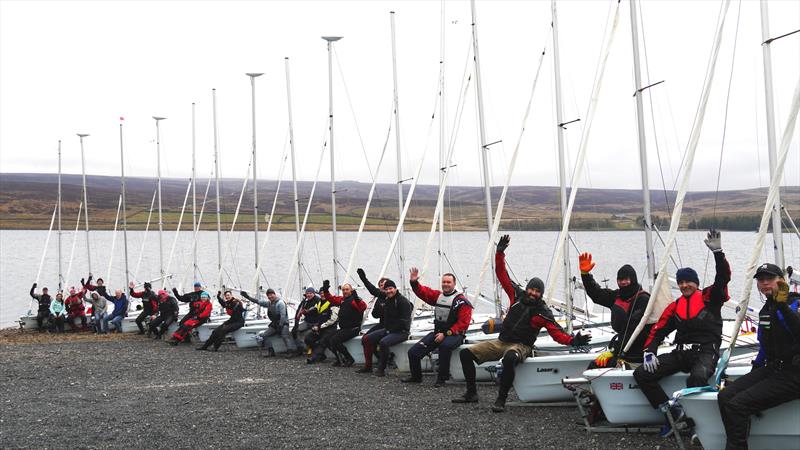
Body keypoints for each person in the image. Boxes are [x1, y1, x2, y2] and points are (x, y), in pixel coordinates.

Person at [453, 235, 592, 412]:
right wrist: (500, 253)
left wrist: (574, 341)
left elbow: (557, 334)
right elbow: (502, 274)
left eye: (537, 291)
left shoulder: (543, 311)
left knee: (510, 358)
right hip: (501, 342)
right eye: (531, 289)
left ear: (541, 294)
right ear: (527, 289)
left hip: (521, 346)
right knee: (466, 354)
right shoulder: (516, 295)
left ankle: (501, 400)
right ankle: (471, 393)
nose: (533, 293)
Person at [633, 229, 730, 429]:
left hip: (705, 352)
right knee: (642, 374)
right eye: (681, 282)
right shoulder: (675, 306)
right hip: (680, 354)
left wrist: (718, 253)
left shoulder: (710, 298)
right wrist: (650, 351)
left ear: (696, 283)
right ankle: (671, 412)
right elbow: (658, 331)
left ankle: (697, 426)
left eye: (688, 282)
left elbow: (723, 277)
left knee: (697, 378)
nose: (685, 285)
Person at [718, 263, 800, 450]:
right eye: (761, 280)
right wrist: (753, 375)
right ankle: (740, 437)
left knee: (737, 405)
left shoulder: (795, 304)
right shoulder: (766, 310)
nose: (764, 283)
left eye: (769, 279)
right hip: (773, 368)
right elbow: (765, 346)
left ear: (781, 281)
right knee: (725, 397)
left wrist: (782, 304)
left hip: (794, 373)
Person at [578, 253, 650, 368]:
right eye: (620, 280)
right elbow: (596, 294)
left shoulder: (643, 299)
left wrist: (613, 351)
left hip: (637, 353)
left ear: (633, 279)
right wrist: (585, 275)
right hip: (622, 350)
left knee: (597, 366)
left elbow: (632, 329)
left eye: (626, 279)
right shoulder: (617, 296)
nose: (623, 282)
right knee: (594, 366)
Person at [404, 267, 473, 387]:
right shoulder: (438, 296)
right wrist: (414, 282)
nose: (445, 284)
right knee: (413, 352)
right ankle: (416, 377)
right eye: (444, 282)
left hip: (455, 335)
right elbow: (424, 292)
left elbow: (463, 324)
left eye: (448, 282)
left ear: (454, 284)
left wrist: (446, 334)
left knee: (444, 346)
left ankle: (442, 378)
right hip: (438, 333)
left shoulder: (462, 302)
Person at [356, 268, 412, 376]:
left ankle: (381, 369)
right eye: (387, 289)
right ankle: (368, 367)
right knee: (366, 339)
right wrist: (363, 279)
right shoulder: (386, 297)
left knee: (383, 342)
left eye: (391, 288)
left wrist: (389, 331)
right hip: (388, 329)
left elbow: (404, 322)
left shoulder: (402, 301)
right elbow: (373, 290)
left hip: (401, 332)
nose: (389, 291)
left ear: (395, 289)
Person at [321, 283, 368, 367]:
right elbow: (331, 299)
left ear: (351, 290)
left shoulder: (354, 300)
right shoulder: (342, 299)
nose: (345, 291)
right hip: (345, 328)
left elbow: (363, 307)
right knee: (326, 339)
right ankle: (339, 359)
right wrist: (325, 290)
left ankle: (349, 358)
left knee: (335, 340)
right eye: (343, 290)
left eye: (347, 289)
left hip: (353, 328)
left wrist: (357, 299)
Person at [243, 288, 295, 357]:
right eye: (268, 295)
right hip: (275, 324)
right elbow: (258, 301)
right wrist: (247, 297)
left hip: (283, 324)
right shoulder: (269, 303)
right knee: (264, 335)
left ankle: (290, 352)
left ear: (274, 294)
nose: (270, 296)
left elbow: (283, 315)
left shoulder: (280, 303)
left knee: (285, 336)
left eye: (271, 295)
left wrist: (280, 326)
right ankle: (271, 351)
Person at [305, 280, 339, 364]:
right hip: (321, 328)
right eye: (320, 293)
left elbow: (332, 320)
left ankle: (314, 358)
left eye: (324, 293)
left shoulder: (332, 303)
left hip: (330, 329)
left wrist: (319, 327)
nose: (322, 295)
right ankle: (321, 355)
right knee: (308, 338)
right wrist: (306, 312)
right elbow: (315, 311)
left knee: (322, 342)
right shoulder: (319, 303)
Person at [289, 287, 321, 357]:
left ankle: (311, 349)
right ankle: (300, 348)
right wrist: (296, 324)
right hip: (307, 322)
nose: (309, 295)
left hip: (315, 322)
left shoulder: (318, 300)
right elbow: (298, 311)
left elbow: (315, 309)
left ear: (314, 293)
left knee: (309, 335)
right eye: (307, 293)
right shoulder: (305, 301)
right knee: (294, 331)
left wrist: (307, 311)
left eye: (310, 293)